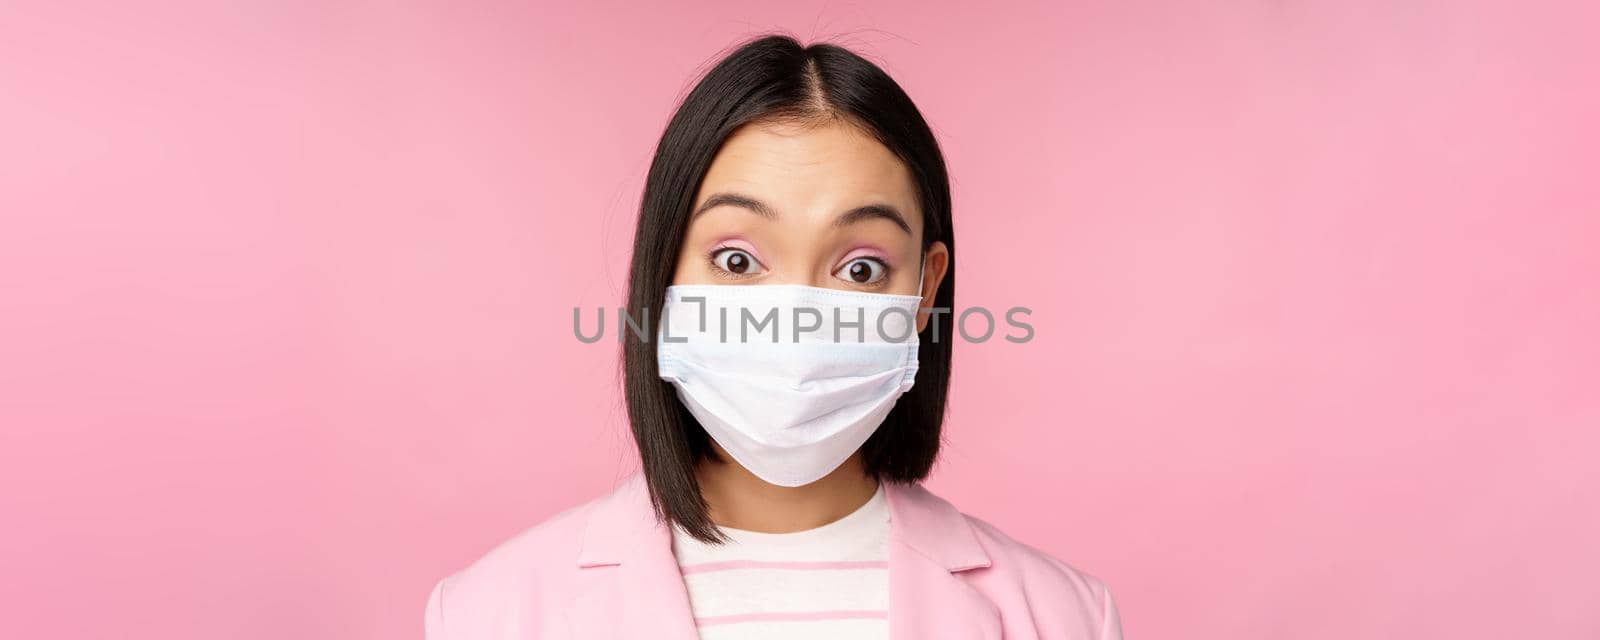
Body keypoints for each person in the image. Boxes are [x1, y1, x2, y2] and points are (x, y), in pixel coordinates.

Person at [424, 34, 1123, 640]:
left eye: (860, 267)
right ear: (662, 275)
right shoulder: (491, 612)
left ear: (925, 293)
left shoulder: (1067, 618)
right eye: (736, 260)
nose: (793, 318)